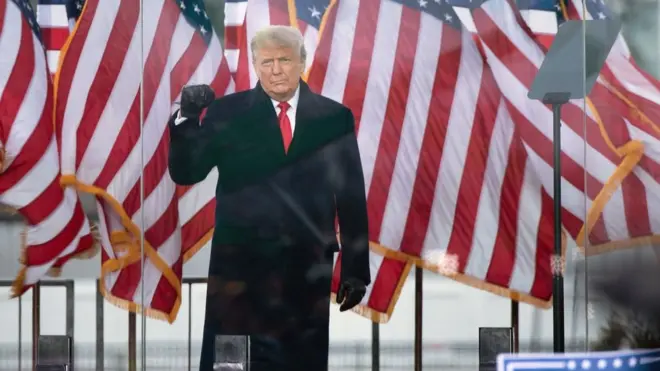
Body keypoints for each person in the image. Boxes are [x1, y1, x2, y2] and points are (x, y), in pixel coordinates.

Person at [168, 25, 371, 371]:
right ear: (255, 64)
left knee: (300, 363)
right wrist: (187, 119)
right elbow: (187, 172)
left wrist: (356, 270)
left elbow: (350, 197)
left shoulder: (333, 118)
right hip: (239, 272)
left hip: (305, 270)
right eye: (266, 62)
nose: (275, 70)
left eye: (284, 60)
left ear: (302, 62)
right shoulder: (228, 114)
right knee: (231, 363)